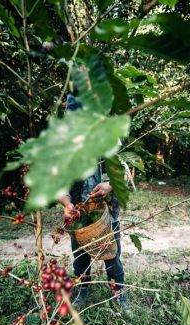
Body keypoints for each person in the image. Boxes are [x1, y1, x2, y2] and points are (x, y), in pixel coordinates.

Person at [59, 94, 129, 311]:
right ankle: (82, 290)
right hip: (79, 211)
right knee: (80, 255)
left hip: (106, 209)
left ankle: (119, 294)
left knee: (111, 254)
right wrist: (67, 204)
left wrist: (109, 185)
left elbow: (125, 172)